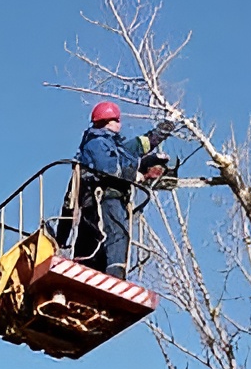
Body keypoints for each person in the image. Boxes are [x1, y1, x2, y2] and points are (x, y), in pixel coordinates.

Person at [65, 102, 178, 280]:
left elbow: (144, 143)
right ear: (108, 121)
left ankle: (96, 276)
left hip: (103, 202)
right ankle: (115, 277)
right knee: (117, 235)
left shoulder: (116, 146)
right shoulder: (97, 143)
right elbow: (110, 169)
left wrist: (166, 126)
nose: (120, 124)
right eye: (117, 120)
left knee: (100, 245)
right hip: (102, 200)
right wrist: (137, 175)